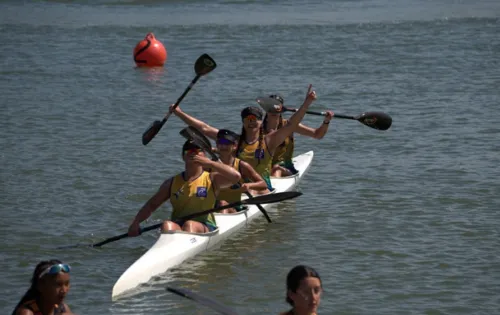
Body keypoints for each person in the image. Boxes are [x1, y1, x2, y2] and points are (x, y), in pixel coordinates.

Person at [169, 84, 318, 191]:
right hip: (235, 185)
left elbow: (291, 125)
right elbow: (204, 128)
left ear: (261, 122)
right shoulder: (234, 141)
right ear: (243, 122)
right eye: (248, 120)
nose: (251, 123)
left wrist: (307, 103)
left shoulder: (269, 140)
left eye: (255, 120)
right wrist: (179, 113)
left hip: (261, 187)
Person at [128, 140, 242, 235]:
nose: (193, 153)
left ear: (205, 156)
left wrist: (210, 164)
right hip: (179, 224)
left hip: (206, 226)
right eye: (189, 150)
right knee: (166, 224)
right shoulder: (171, 183)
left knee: (190, 224)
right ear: (183, 156)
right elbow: (151, 205)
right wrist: (135, 223)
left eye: (198, 150)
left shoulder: (212, 179)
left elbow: (236, 176)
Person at [264, 94, 334, 177]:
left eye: (276, 106)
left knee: (276, 169)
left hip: (285, 167)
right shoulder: (257, 128)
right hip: (263, 167)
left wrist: (326, 121)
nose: (274, 109)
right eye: (271, 106)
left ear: (281, 109)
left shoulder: (289, 126)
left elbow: (317, 134)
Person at [214, 129, 269, 213]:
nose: (223, 146)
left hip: (234, 206)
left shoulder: (242, 165)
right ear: (217, 145)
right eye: (221, 142)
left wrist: (249, 185)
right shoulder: (209, 166)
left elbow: (263, 184)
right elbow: (200, 188)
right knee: (220, 203)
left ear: (235, 146)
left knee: (222, 203)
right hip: (213, 206)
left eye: (227, 143)